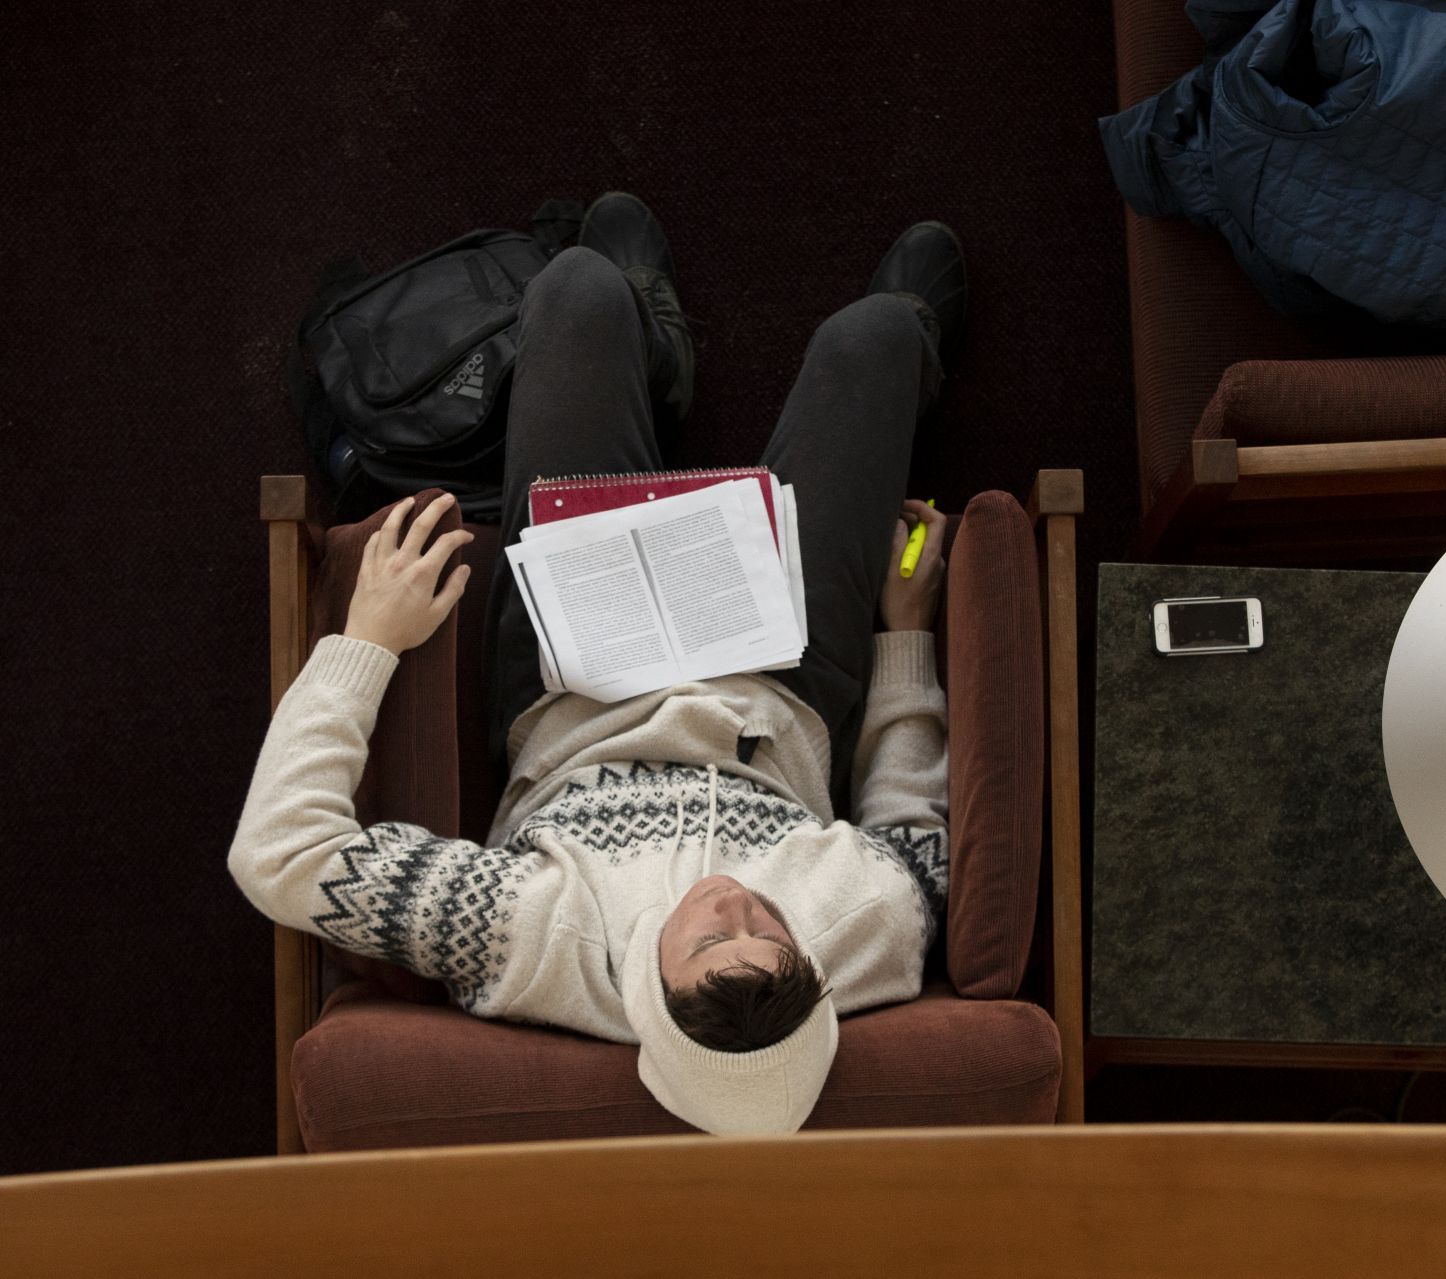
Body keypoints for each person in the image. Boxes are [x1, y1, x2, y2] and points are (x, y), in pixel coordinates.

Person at [227, 192, 967, 1134]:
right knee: (872, 343)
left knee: (577, 291)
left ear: (648, 994)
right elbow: (911, 829)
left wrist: (365, 639)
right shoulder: (860, 944)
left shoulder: (534, 942)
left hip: (578, 680)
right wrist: (903, 639)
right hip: (782, 678)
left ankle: (650, 356)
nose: (738, 904)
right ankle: (910, 347)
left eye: (709, 935)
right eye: (770, 928)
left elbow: (278, 854)